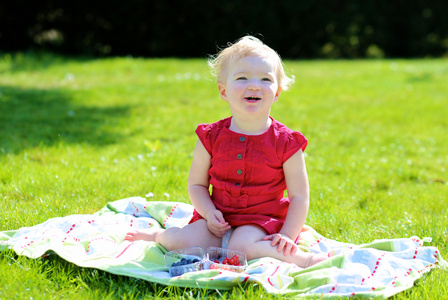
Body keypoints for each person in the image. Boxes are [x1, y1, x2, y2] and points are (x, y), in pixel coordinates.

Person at [125, 36, 328, 268]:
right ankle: (157, 236)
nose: (254, 85)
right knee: (183, 241)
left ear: (277, 92)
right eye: (242, 78)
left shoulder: (287, 142)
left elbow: (299, 197)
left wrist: (287, 236)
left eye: (265, 79)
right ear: (223, 91)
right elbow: (197, 185)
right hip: (217, 217)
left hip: (261, 220)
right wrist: (209, 213)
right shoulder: (211, 136)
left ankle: (303, 259)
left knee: (240, 248)